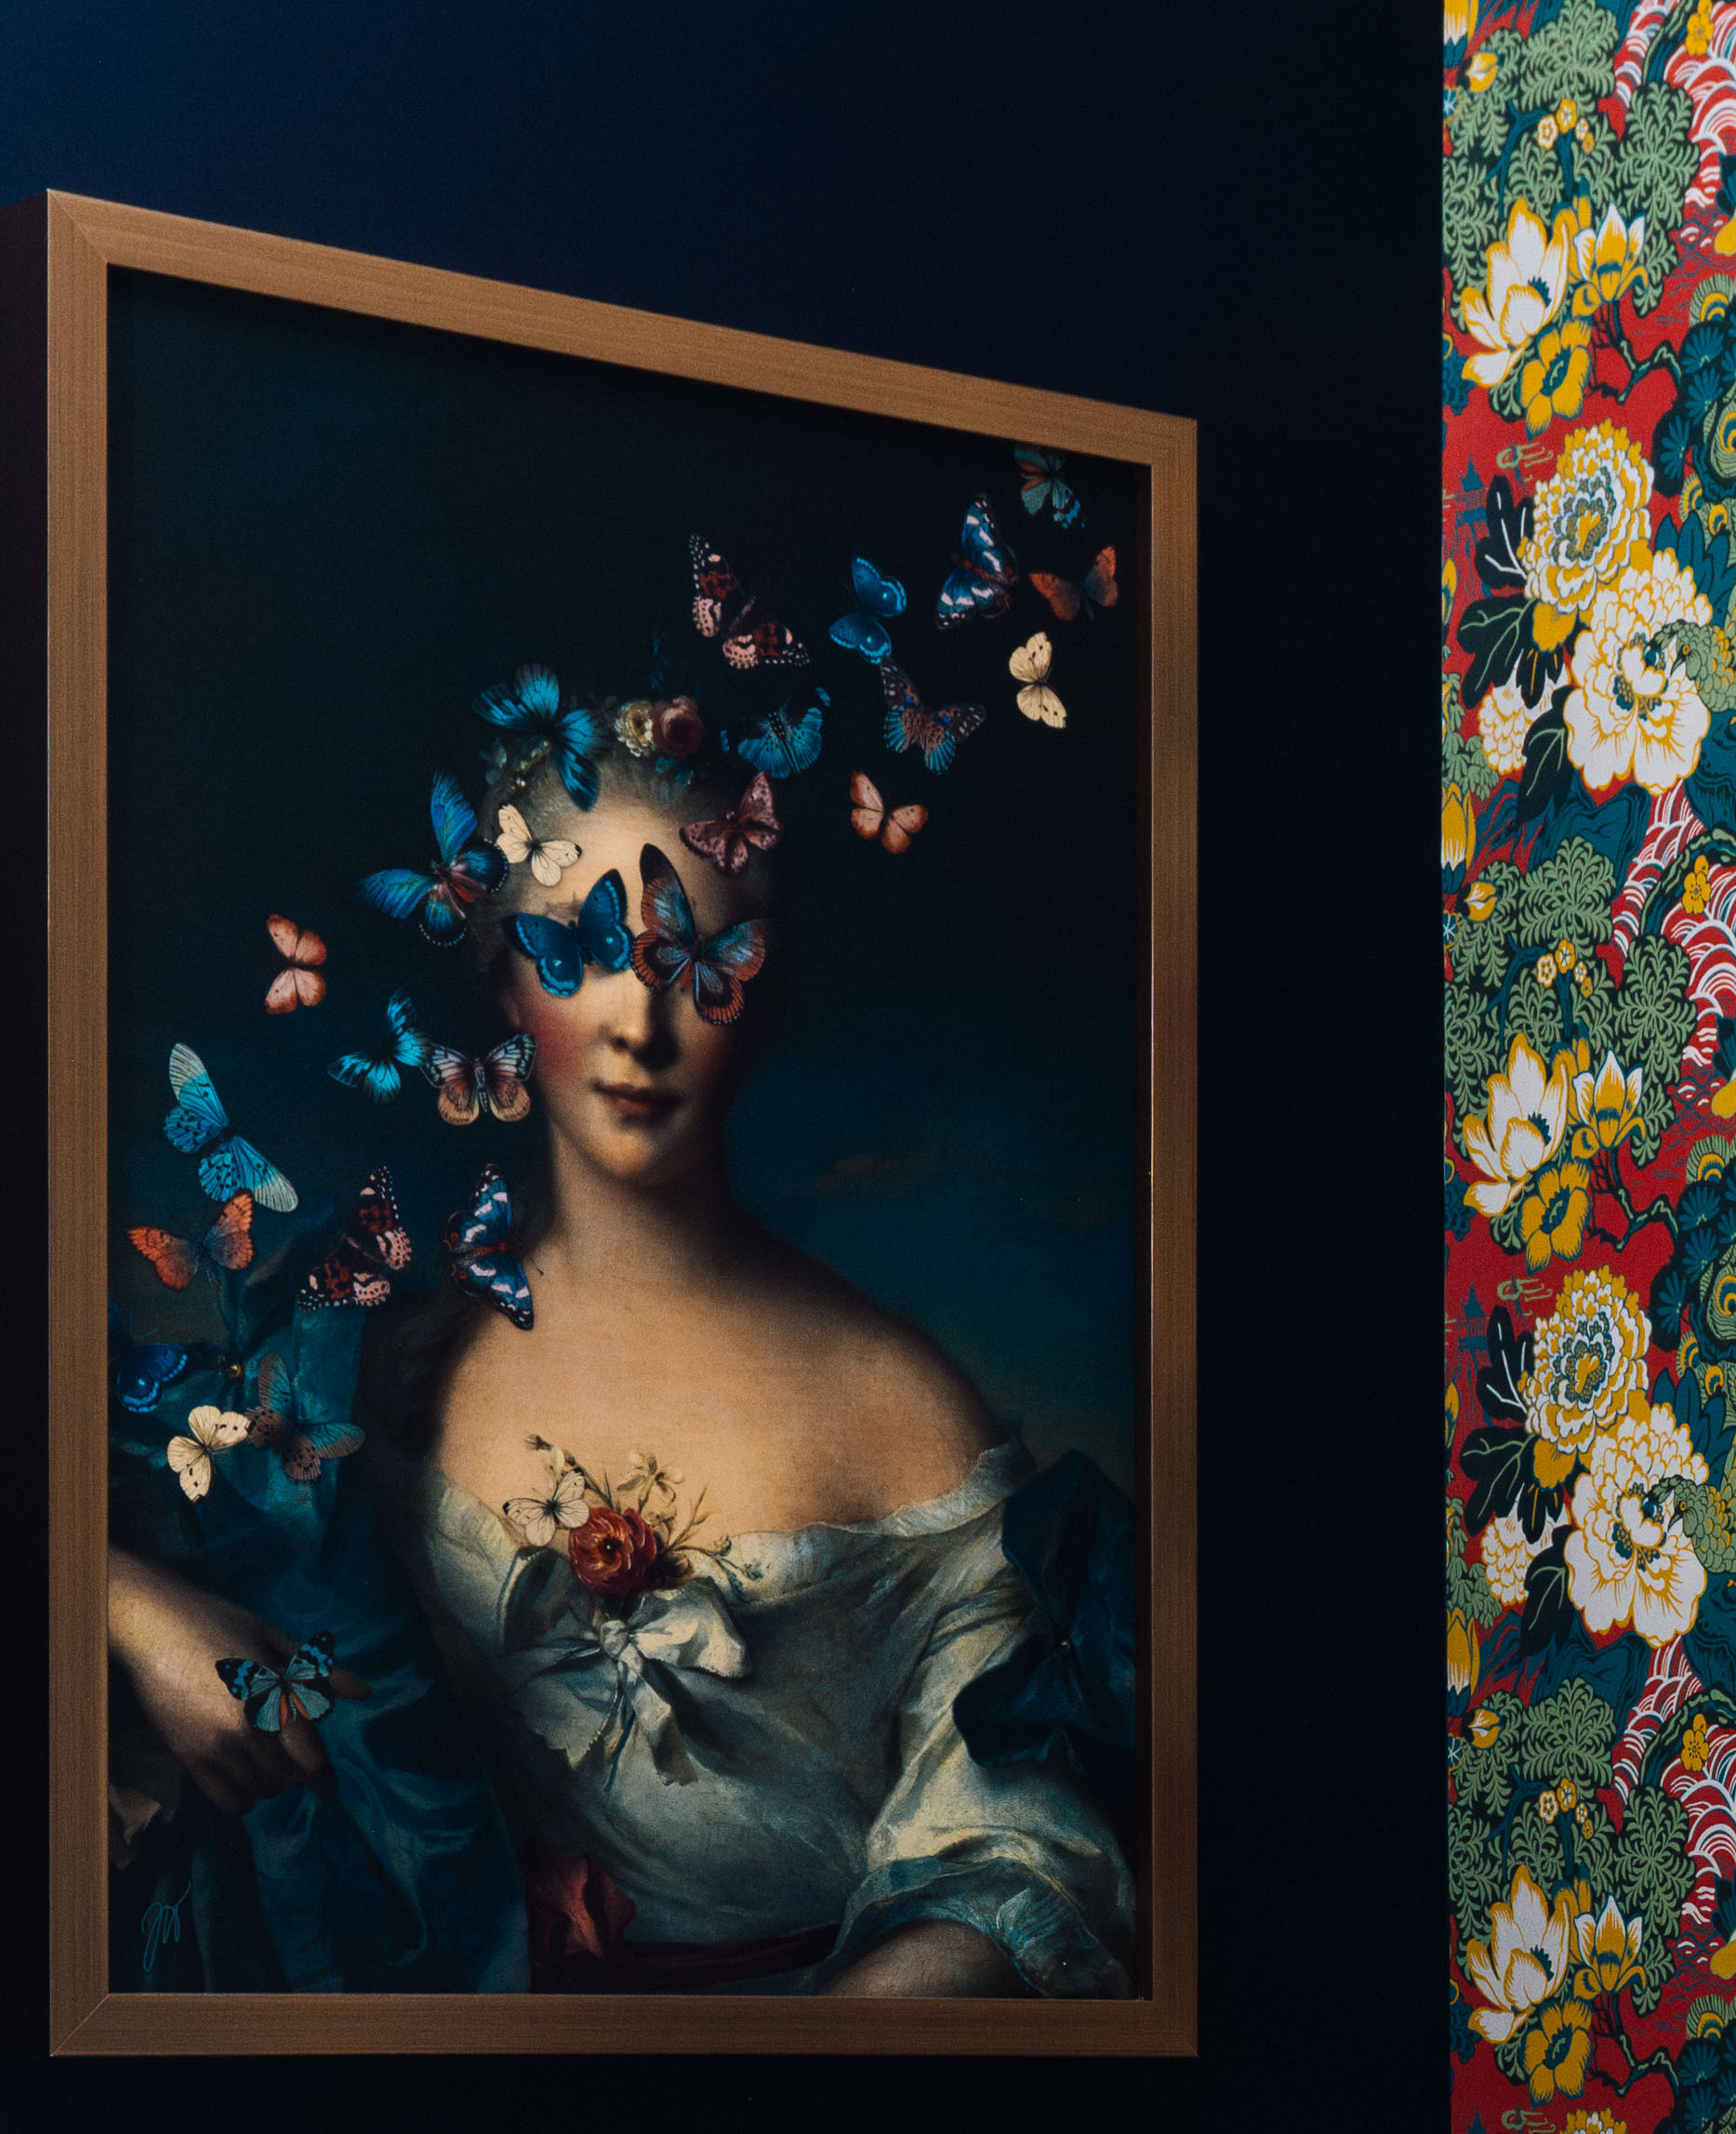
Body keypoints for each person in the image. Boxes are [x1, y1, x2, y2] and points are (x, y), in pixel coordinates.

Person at [102, 785, 1133, 1998]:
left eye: (688, 960)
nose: (641, 1022)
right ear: (503, 979)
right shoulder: (373, 1358)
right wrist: (127, 1603)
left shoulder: (900, 1412)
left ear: (767, 992)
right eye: (586, 951)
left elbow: (1018, 1848)